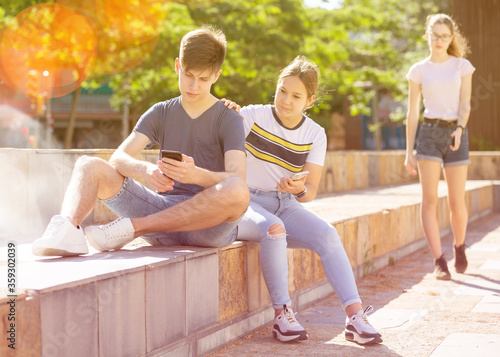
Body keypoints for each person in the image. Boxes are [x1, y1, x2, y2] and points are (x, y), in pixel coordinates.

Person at [32, 26, 249, 256]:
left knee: (238, 189)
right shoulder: (161, 112)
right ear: (177, 66)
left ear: (216, 76)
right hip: (159, 212)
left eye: (203, 79)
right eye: (188, 75)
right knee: (88, 165)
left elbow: (237, 178)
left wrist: (196, 175)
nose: (193, 86)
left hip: (207, 228)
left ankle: (133, 229)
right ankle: (67, 229)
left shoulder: (229, 117)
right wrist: (146, 170)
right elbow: (119, 158)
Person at [223, 56, 382, 345]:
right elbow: (219, 133)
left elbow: (311, 192)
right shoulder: (252, 116)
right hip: (247, 202)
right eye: (282, 91)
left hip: (288, 204)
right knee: (273, 229)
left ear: (309, 100)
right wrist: (226, 111)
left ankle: (355, 317)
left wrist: (297, 189)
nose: (286, 100)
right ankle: (282, 315)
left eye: (296, 96)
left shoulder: (315, 134)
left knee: (328, 234)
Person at [404, 14, 475, 280]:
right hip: (429, 134)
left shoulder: (462, 66)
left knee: (457, 203)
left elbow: (466, 104)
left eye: (444, 36)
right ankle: (439, 261)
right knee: (430, 200)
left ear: (451, 38)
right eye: (434, 35)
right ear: (427, 35)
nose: (439, 40)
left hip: (456, 133)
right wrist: (407, 151)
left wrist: (459, 128)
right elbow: (412, 114)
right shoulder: (418, 70)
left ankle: (459, 246)